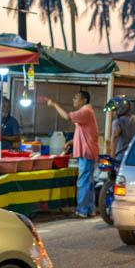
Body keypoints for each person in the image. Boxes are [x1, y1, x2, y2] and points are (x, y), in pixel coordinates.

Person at [43, 90, 99, 218]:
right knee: (88, 182)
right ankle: (89, 210)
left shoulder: (85, 112)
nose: (74, 100)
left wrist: (54, 104)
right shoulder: (86, 113)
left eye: (76, 98)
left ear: (84, 100)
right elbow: (85, 135)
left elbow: (68, 117)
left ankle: (81, 211)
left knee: (83, 182)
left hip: (86, 153)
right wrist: (70, 142)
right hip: (88, 152)